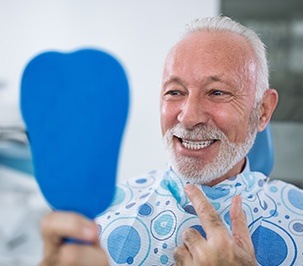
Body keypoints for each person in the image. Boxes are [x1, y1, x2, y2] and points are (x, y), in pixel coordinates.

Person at [39, 16, 303, 265]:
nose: (189, 118)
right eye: (175, 91)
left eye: (217, 92)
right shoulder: (100, 221)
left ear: (263, 111)